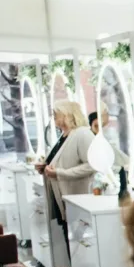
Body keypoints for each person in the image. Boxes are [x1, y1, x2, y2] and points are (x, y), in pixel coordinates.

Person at [41, 101, 95, 245]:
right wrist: (45, 166)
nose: (53, 117)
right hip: (62, 197)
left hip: (76, 196)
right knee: (69, 238)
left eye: (55, 114)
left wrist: (59, 173)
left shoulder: (83, 134)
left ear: (66, 114)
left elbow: (91, 166)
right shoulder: (65, 135)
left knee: (77, 242)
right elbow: (59, 160)